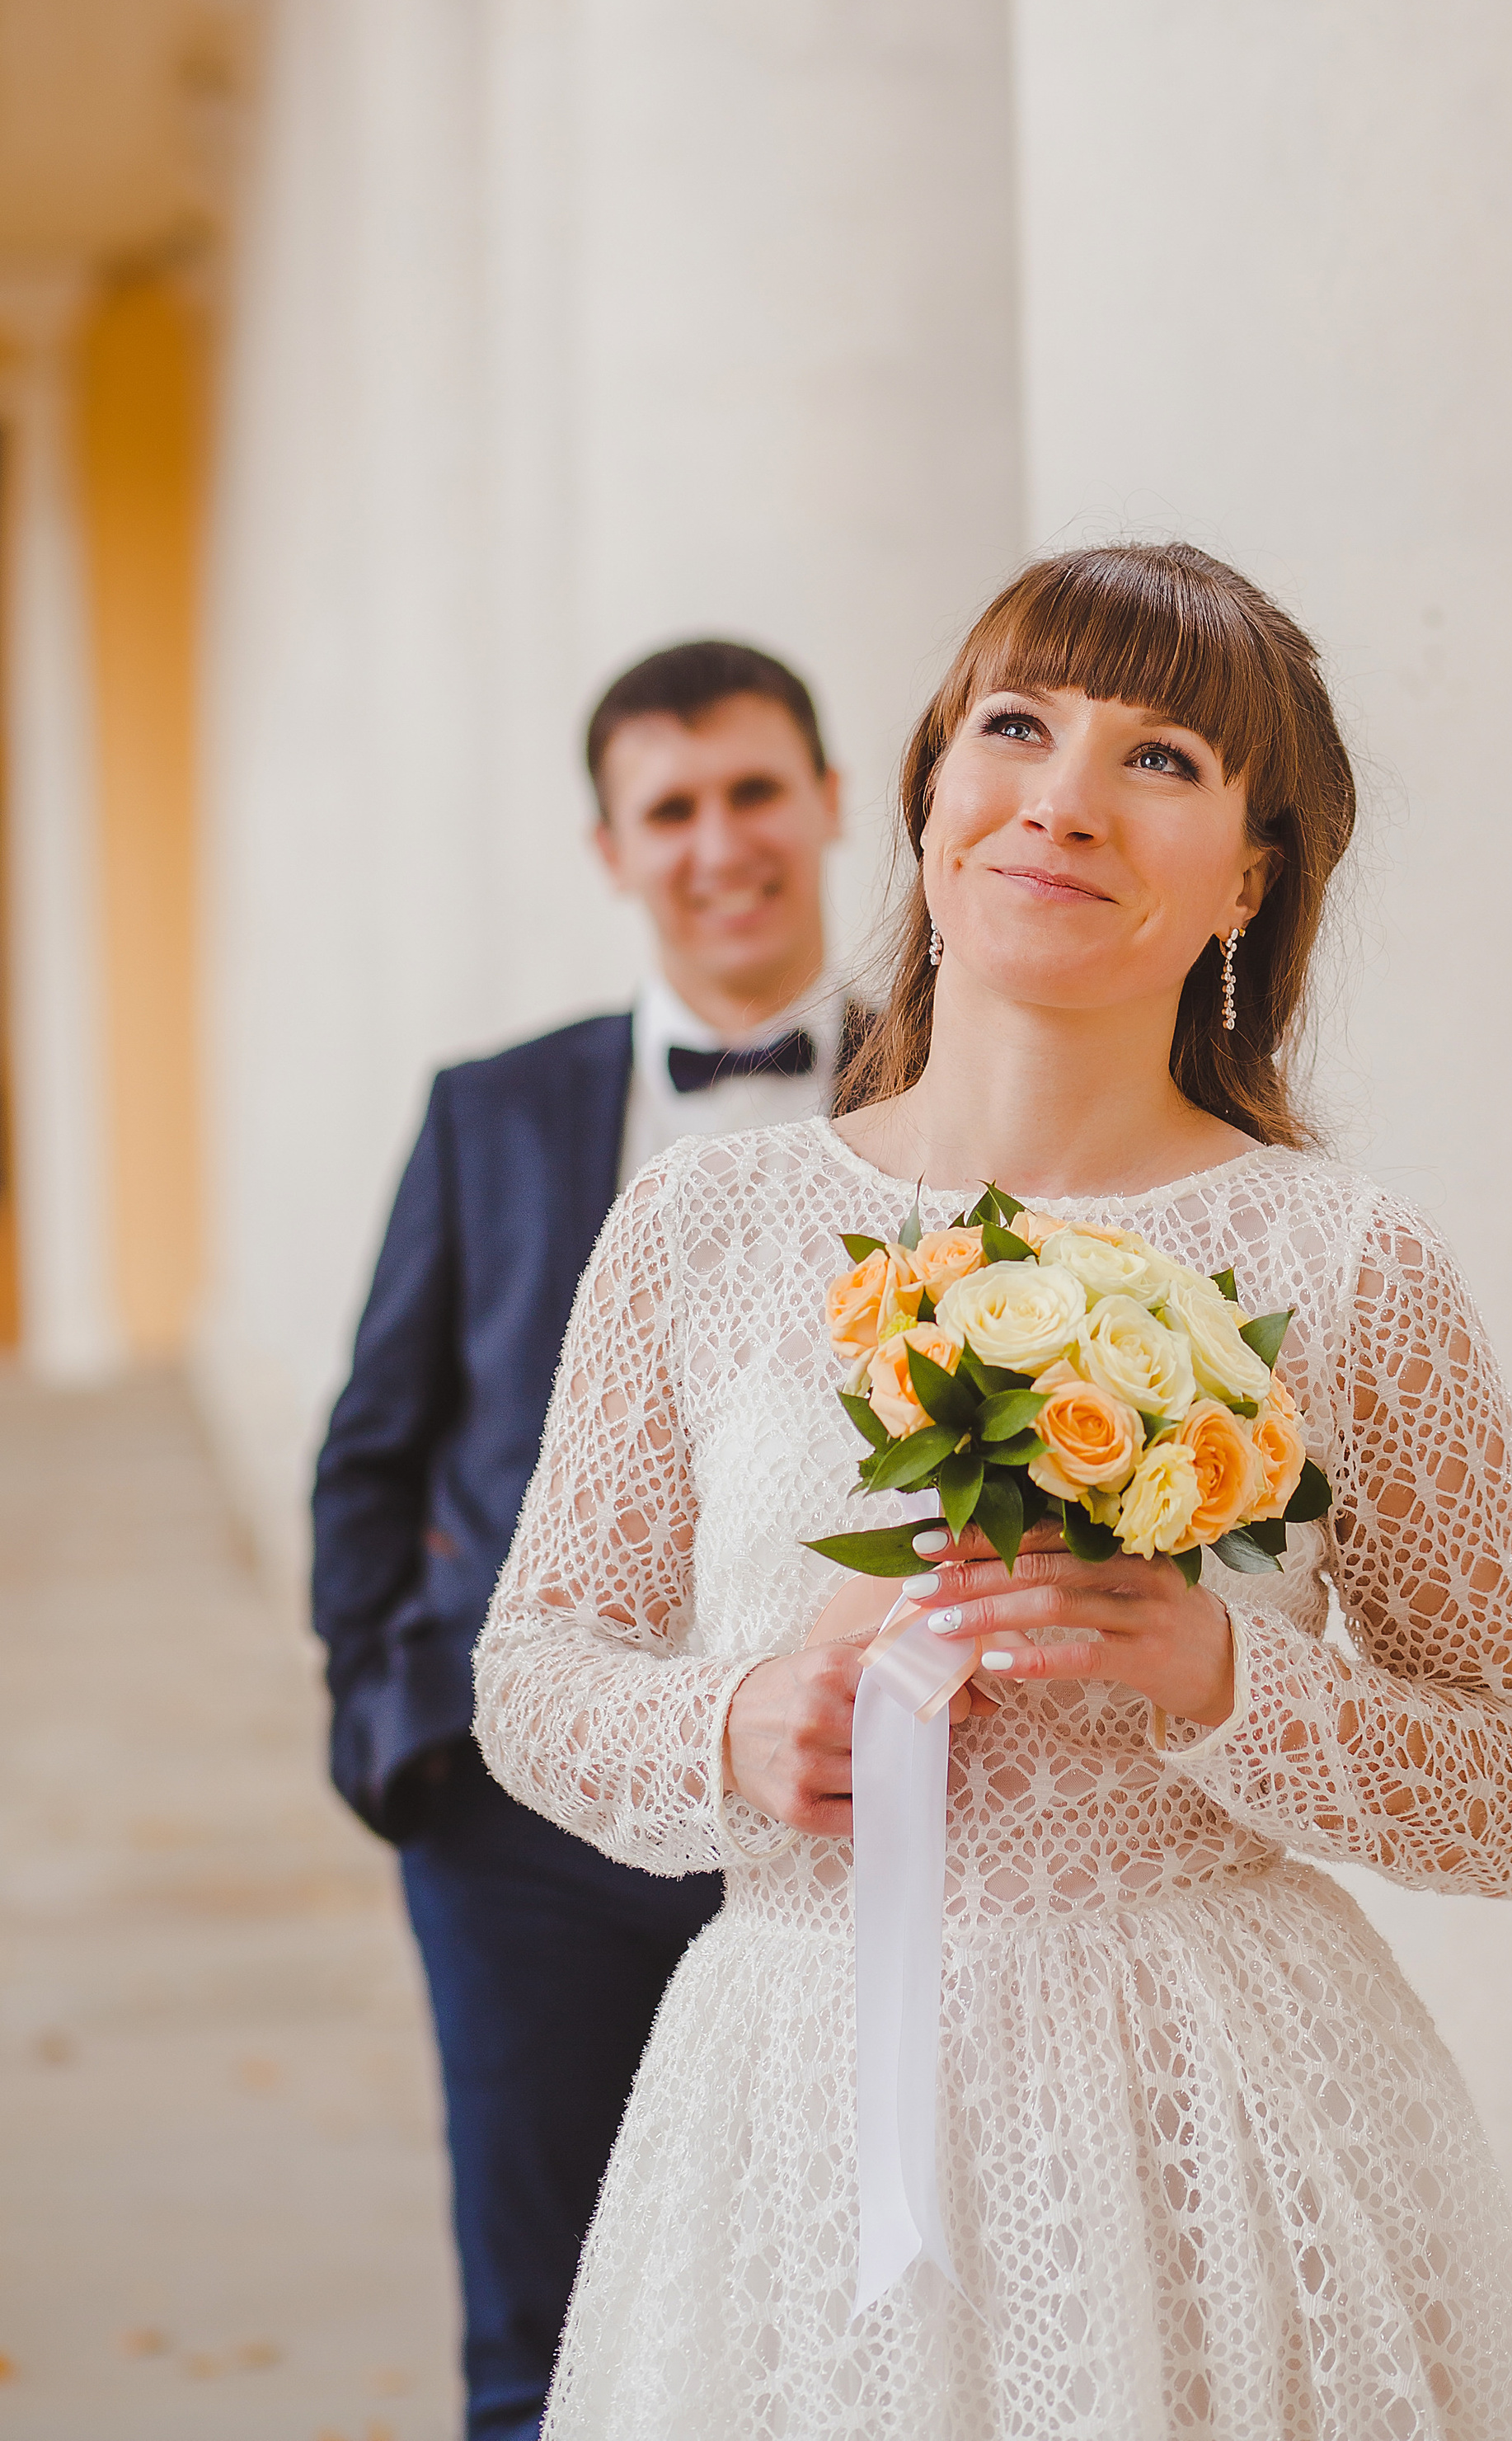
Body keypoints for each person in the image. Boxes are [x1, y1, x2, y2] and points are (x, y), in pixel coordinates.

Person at [474, 544, 1512, 2441]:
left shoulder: (1342, 1264)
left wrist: (1223, 1680)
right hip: (800, 2115)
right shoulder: (700, 1228)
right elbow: (535, 1671)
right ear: (926, 796)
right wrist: (737, 1722)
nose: (1061, 799)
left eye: (1159, 757)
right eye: (1015, 727)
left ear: (1246, 875)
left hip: (1216, 2128)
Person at [312, 637, 866, 2441]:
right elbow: (372, 1448)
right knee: (542, 2343)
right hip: (525, 1816)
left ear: (833, 804)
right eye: (673, 808)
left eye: (754, 792)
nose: (721, 844)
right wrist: (403, 1734)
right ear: (612, 849)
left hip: (859, 1817)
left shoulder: (961, 1097)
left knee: (846, 2320)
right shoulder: (493, 1112)